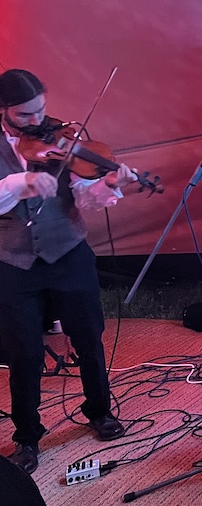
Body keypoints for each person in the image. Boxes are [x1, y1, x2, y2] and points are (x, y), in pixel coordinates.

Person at [0, 69, 134, 475]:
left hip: (68, 253)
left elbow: (85, 197)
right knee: (24, 353)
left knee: (89, 336)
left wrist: (109, 183)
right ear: (3, 110)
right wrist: (20, 182)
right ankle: (27, 436)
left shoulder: (63, 139)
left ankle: (99, 411)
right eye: (24, 115)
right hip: (13, 262)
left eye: (40, 110)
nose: (36, 121)